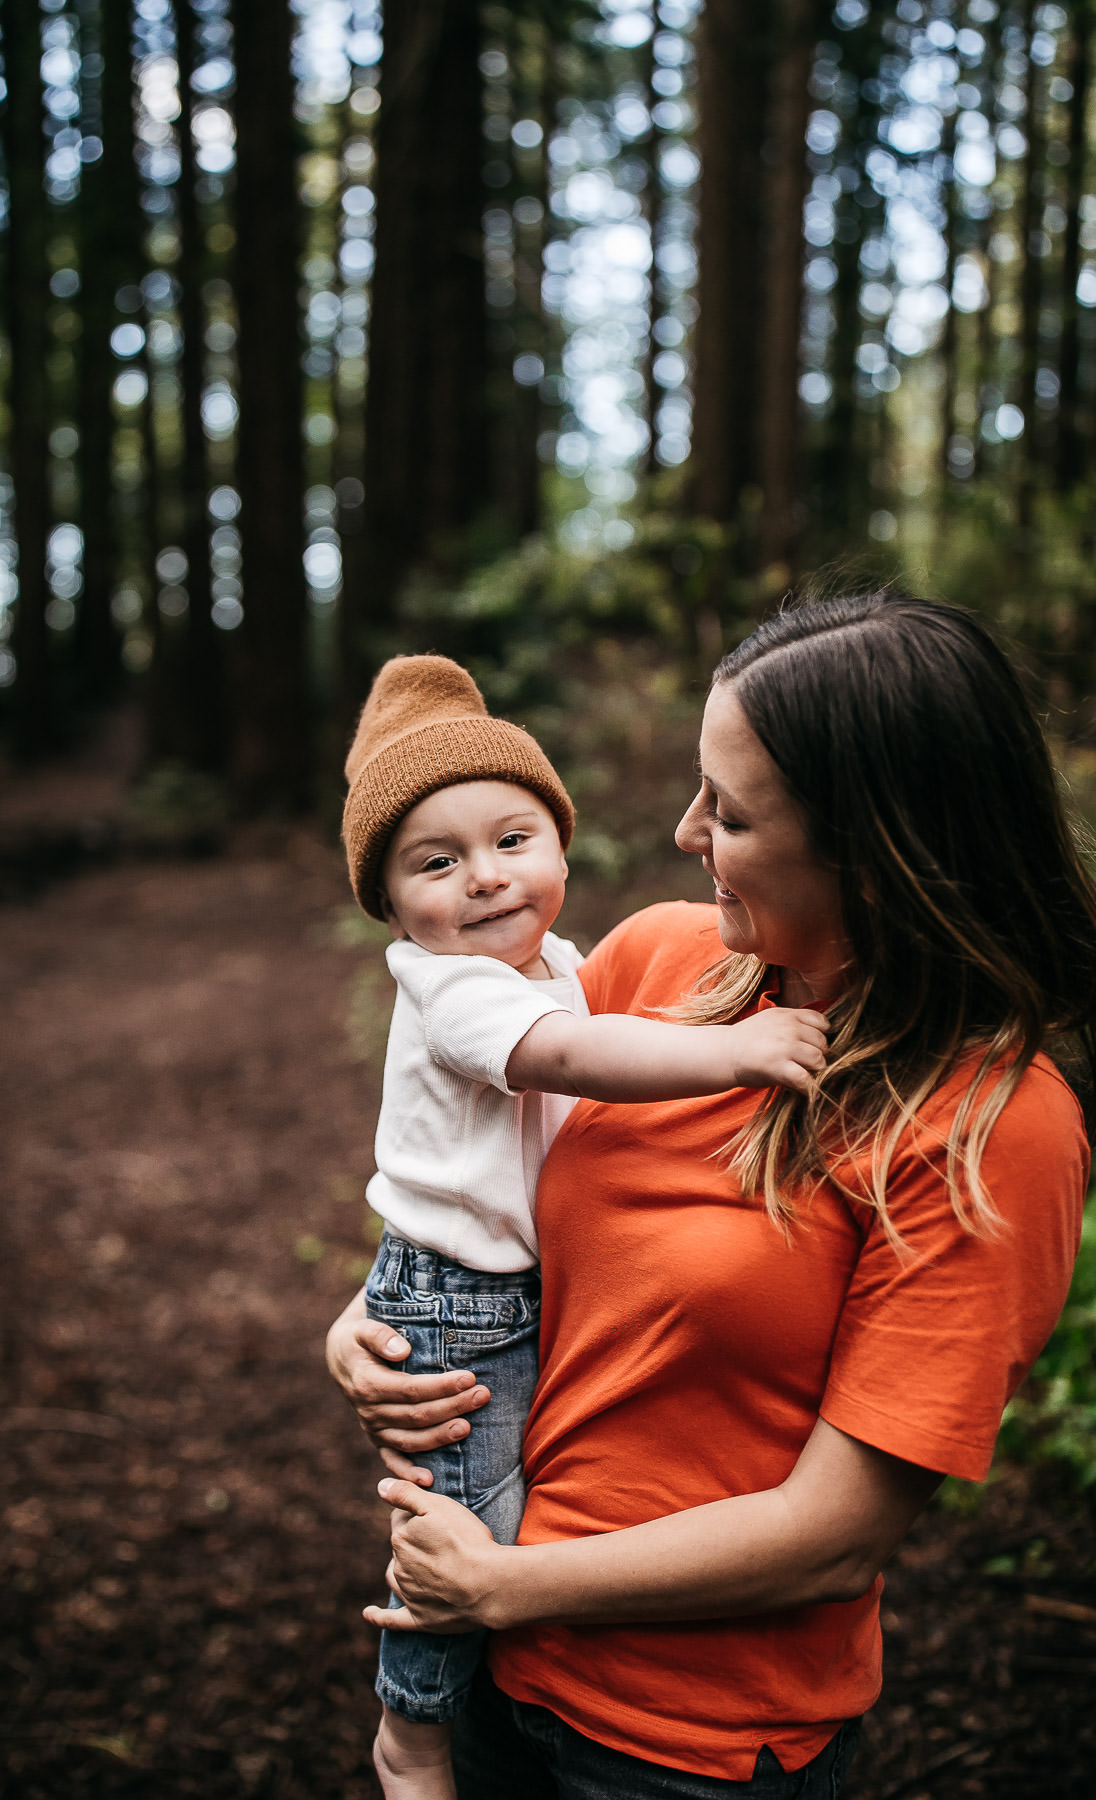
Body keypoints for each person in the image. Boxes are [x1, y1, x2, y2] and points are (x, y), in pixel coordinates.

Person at [328, 592, 1096, 1800]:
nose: (687, 831)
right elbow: (483, 1197)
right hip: (499, 1675)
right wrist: (364, 1334)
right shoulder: (654, 964)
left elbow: (835, 1537)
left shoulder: (994, 1127)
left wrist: (505, 1586)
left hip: (684, 1744)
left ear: (877, 845)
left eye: (730, 812)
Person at [341, 654, 829, 1800]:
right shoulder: (452, 985)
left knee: (480, 1528)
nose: (485, 880)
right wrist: (737, 1049)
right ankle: (408, 1727)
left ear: (558, 841)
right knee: (466, 1531)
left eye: (513, 841)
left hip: (483, 1284)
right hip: (457, 1293)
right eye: (436, 862)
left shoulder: (558, 959)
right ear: (393, 901)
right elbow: (571, 1057)